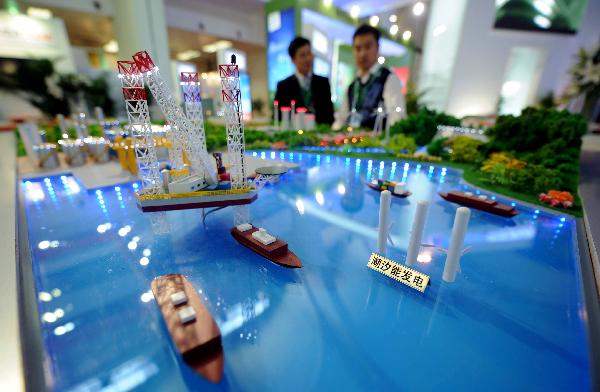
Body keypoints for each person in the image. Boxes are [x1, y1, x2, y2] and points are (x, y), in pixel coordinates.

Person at [333, 24, 407, 130]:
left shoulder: (388, 79)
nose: (362, 53)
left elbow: (397, 117)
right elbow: (341, 119)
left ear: (377, 48)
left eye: (367, 47)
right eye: (358, 48)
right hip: (351, 143)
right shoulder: (352, 86)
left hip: (377, 144)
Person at [274, 36, 334, 126]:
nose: (308, 59)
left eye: (309, 53)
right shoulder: (283, 86)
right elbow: (277, 117)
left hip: (320, 135)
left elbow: (329, 116)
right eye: (303, 55)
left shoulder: (323, 83)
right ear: (293, 60)